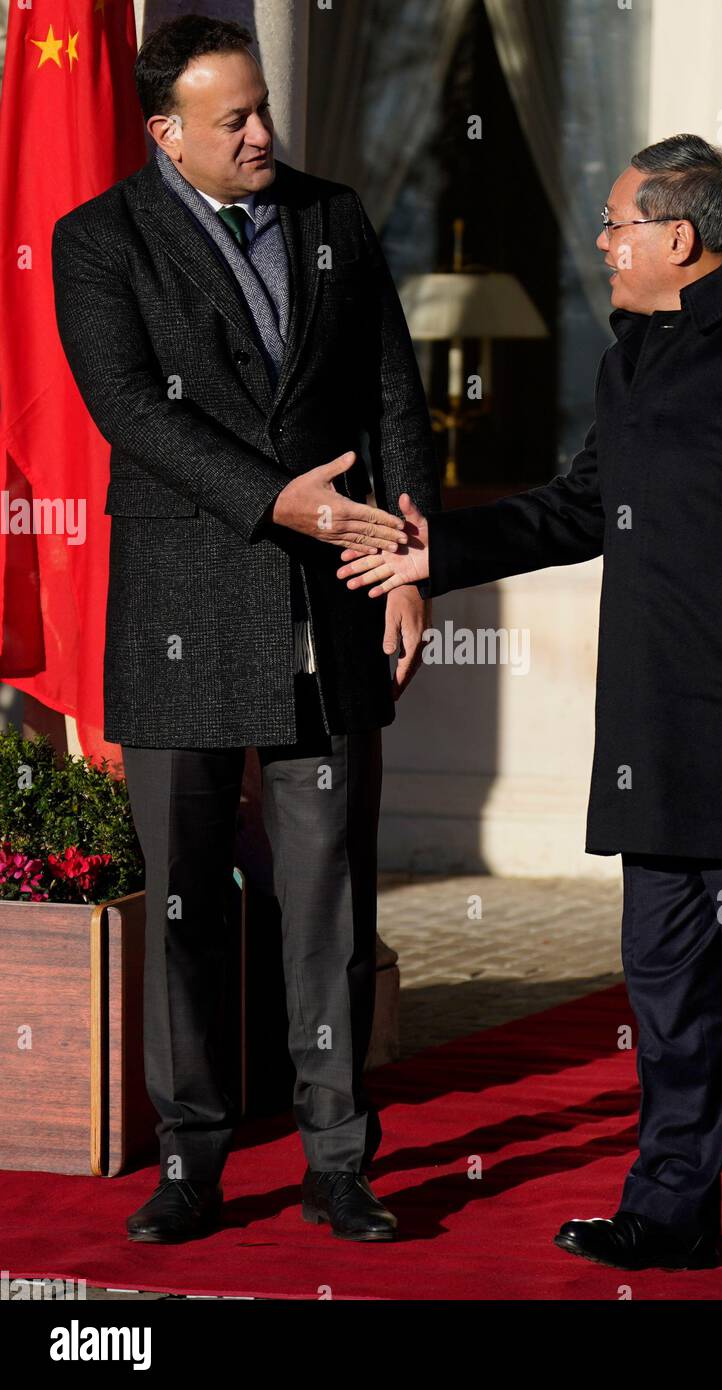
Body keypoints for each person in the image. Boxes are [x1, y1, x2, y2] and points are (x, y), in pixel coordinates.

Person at [335, 134, 722, 1295]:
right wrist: (431, 549)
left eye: (613, 225)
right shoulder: (632, 354)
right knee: (667, 996)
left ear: (675, 237)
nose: (599, 246)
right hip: (656, 739)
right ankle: (667, 1211)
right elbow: (578, 506)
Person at [51, 14, 440, 1245]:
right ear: (166, 131)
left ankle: (337, 1160)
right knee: (185, 910)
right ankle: (193, 1157)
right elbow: (125, 407)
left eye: (264, 109)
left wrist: (404, 561)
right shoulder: (97, 239)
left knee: (327, 901)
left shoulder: (333, 216)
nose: (263, 133)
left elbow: (389, 390)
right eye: (235, 120)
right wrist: (280, 500)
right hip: (180, 610)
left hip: (327, 611)